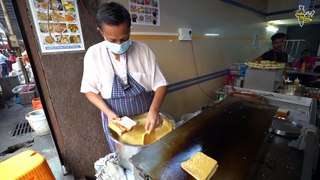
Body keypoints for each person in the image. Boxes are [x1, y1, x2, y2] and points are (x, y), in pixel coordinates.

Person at [80, 2, 168, 152]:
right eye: (112, 40)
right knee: (125, 158)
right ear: (100, 32)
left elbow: (161, 84)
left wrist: (154, 111)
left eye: (124, 38)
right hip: (117, 122)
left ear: (129, 29)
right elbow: (89, 90)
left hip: (146, 118)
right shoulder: (93, 54)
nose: (119, 44)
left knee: (152, 155)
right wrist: (108, 113)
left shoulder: (143, 51)